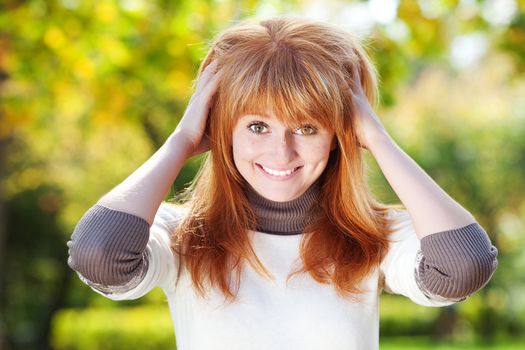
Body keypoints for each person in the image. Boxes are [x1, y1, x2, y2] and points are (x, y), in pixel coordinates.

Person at [67, 16, 498, 350]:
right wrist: (181, 141)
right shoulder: (182, 234)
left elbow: (464, 267)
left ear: (339, 135)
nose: (282, 153)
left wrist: (376, 138)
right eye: (257, 126)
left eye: (308, 128)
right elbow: (98, 255)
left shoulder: (375, 236)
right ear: (221, 127)